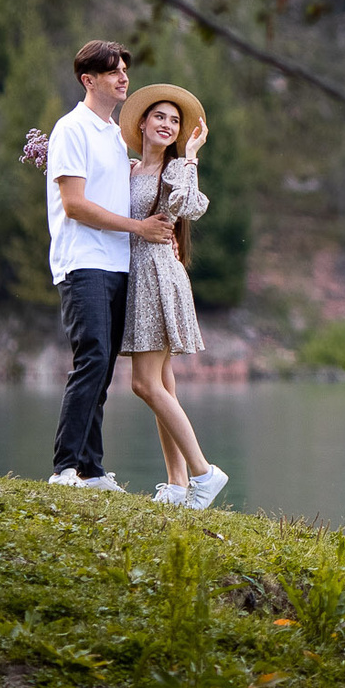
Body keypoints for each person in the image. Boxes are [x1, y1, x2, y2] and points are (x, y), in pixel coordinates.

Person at [44, 40, 176, 490]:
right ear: (89, 80)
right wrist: (139, 230)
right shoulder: (71, 129)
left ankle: (92, 468)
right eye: (113, 71)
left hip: (118, 264)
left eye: (124, 70)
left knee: (103, 367)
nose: (123, 77)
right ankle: (64, 468)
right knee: (93, 357)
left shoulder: (116, 138)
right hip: (82, 261)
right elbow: (75, 205)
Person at [119, 84, 228, 509]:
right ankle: (178, 484)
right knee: (162, 383)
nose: (167, 124)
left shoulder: (172, 170)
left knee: (145, 383)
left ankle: (204, 472)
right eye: (160, 117)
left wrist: (191, 156)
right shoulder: (128, 169)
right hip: (137, 277)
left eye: (175, 120)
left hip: (158, 276)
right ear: (142, 123)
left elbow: (188, 205)